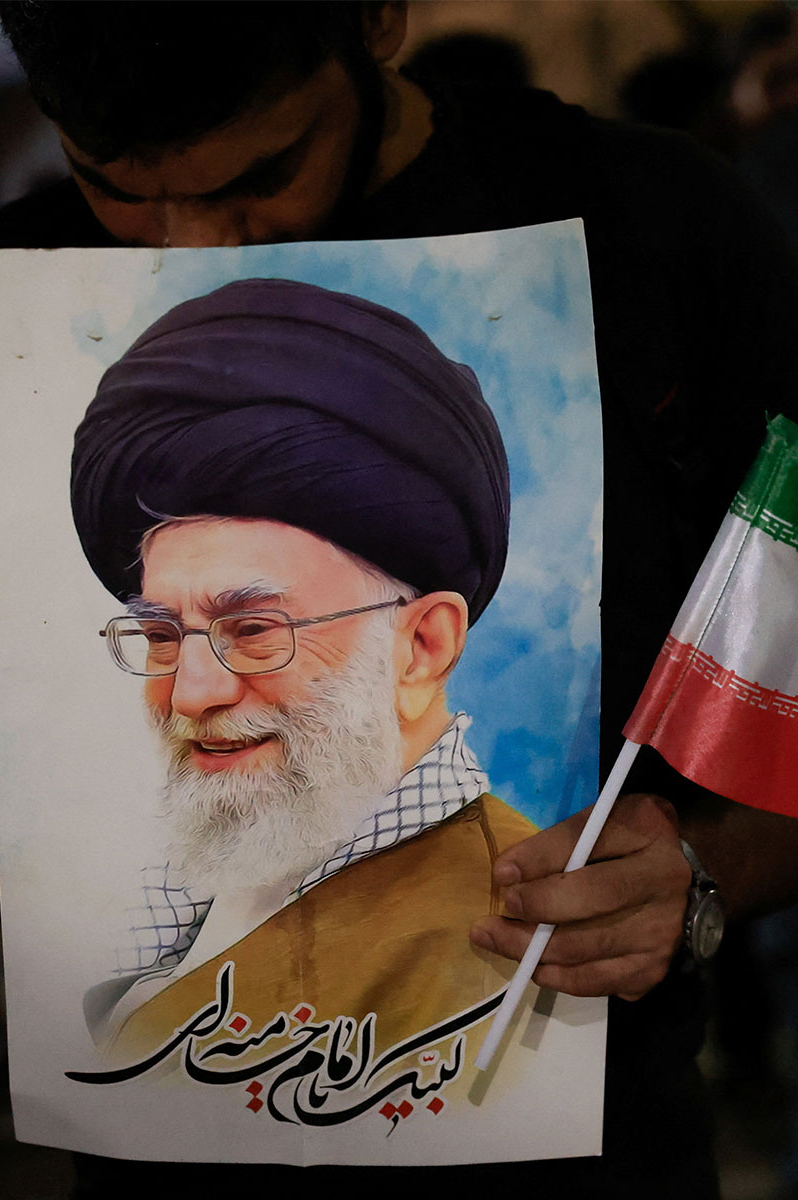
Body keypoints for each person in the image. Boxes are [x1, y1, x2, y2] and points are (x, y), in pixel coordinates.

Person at [0, 4, 798, 1192]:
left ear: (376, 20)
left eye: (263, 173)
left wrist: (699, 878)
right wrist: (39, 787)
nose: (199, 245)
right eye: (113, 185)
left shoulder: (653, 230)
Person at [66, 278, 533, 1063]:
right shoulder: (190, 890)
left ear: (421, 648)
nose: (192, 693)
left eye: (252, 629)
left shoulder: (510, 938)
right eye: (162, 636)